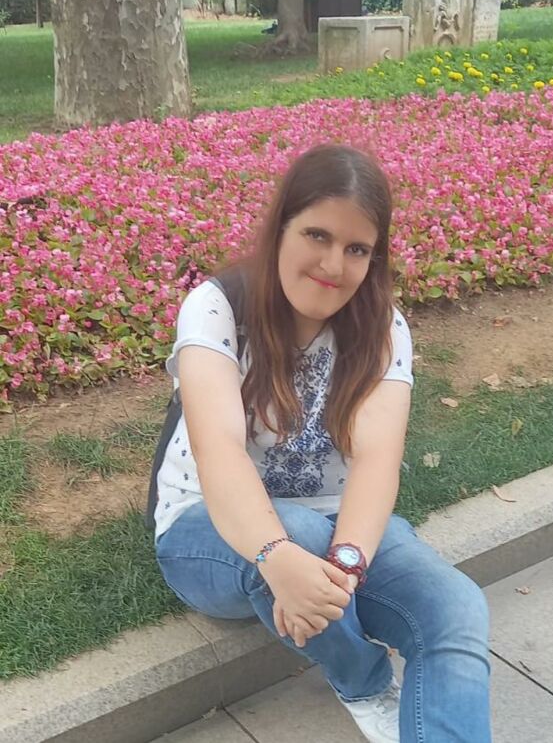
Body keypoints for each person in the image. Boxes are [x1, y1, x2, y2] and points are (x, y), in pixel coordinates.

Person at [153, 144, 491, 743]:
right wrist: (278, 557)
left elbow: (378, 461)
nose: (334, 264)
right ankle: (363, 681)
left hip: (336, 523)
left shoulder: (382, 327)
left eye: (357, 249)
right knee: (300, 538)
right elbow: (220, 451)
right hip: (208, 529)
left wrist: (348, 563)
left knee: (456, 608)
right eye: (317, 235)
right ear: (280, 228)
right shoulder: (218, 307)